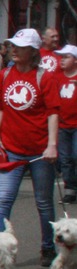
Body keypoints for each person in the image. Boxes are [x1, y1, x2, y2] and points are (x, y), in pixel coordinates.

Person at [0, 28, 60, 267]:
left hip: (40, 152)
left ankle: (48, 247)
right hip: (10, 148)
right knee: (3, 200)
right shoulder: (5, 75)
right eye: (12, 46)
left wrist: (52, 145)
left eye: (20, 47)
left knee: (43, 202)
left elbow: (52, 113)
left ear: (33, 51)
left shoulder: (45, 77)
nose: (14, 50)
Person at [56, 45, 77, 201]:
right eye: (61, 57)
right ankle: (69, 188)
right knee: (65, 159)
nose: (62, 60)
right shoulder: (57, 77)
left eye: (66, 57)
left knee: (76, 155)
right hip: (62, 125)